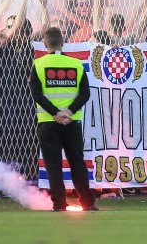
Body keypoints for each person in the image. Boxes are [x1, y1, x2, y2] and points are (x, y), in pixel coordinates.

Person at [29, 27, 97, 212]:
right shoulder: (76, 64)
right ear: (63, 42)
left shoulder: (39, 64)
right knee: (77, 162)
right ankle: (87, 203)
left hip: (48, 123)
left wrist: (55, 113)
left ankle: (59, 205)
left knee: (53, 165)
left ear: (45, 43)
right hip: (72, 122)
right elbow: (85, 94)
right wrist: (68, 112)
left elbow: (37, 94)